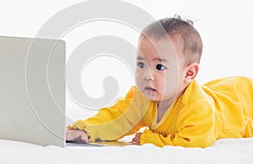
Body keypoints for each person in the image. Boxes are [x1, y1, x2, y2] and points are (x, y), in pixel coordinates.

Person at [66, 16, 253, 147]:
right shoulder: (142, 97)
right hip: (219, 91)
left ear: (189, 74)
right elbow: (116, 118)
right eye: (141, 64)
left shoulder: (197, 108)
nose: (147, 75)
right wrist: (86, 130)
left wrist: (150, 139)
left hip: (244, 101)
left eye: (159, 67)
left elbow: (194, 142)